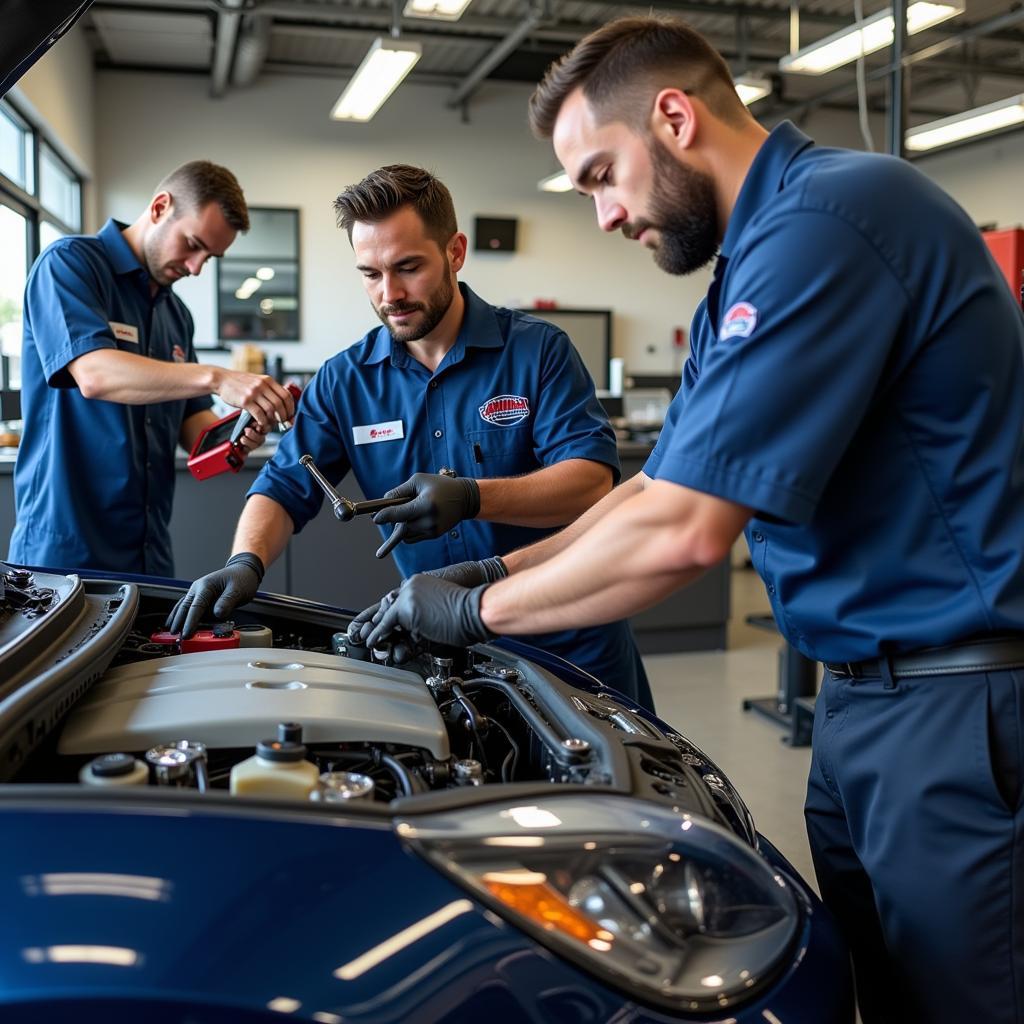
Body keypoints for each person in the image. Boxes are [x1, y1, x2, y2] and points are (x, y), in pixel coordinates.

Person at [356, 17, 1024, 1024]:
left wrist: (474, 618)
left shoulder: (832, 219)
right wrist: (488, 576)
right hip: (864, 710)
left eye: (599, 175)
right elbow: (647, 489)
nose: (603, 215)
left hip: (953, 709)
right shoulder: (749, 270)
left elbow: (684, 534)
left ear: (673, 117)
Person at [169, 164, 652, 709]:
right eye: (370, 274)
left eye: (407, 267)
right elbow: (282, 489)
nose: (390, 294)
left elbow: (592, 484)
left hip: (571, 642)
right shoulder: (344, 380)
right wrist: (245, 562)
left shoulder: (539, 351)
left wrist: (474, 498)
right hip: (443, 651)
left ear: (456, 252)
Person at [9, 160, 296, 577]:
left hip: (148, 556)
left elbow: (194, 432)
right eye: (193, 244)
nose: (196, 267)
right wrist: (219, 377)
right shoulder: (70, 265)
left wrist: (239, 431)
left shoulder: (176, 314)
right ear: (160, 207)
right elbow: (95, 374)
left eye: (209, 257)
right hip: (63, 553)